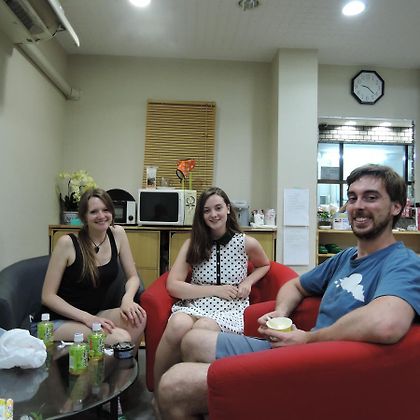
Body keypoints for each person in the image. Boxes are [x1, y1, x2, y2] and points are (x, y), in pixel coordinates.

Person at [157, 164, 420, 419]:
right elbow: (295, 285)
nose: (358, 205)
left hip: (325, 368)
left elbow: (387, 322)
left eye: (371, 197)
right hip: (302, 350)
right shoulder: (345, 257)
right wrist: (280, 313)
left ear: (397, 206)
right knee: (193, 340)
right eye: (352, 198)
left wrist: (308, 339)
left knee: (172, 385)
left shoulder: (404, 262)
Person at [153, 187, 270, 391]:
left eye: (218, 208)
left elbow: (264, 265)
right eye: (207, 210)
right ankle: (158, 391)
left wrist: (248, 282)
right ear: (201, 215)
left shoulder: (246, 242)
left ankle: (189, 392)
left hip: (230, 307)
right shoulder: (193, 244)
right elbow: (173, 285)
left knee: (203, 328)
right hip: (196, 302)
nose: (213, 214)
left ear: (228, 208)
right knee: (177, 324)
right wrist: (215, 290)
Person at [37, 188, 146, 350]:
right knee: (120, 338)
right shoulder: (67, 243)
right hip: (58, 321)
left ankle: (122, 365)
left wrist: (127, 299)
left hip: (94, 314)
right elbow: (48, 297)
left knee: (138, 318)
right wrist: (87, 318)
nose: (101, 216)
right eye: (94, 212)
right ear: (84, 217)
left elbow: (133, 277)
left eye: (106, 210)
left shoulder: (118, 234)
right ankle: (109, 364)